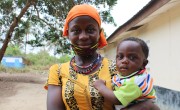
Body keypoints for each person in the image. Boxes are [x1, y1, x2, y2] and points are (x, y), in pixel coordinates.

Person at [44, 4, 160, 110]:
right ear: (68, 34)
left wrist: (147, 105)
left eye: (90, 29)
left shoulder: (117, 68)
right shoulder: (57, 71)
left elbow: (146, 103)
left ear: (99, 33)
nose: (83, 36)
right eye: (76, 30)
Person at [93, 37, 159, 110]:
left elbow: (116, 99)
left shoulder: (135, 82)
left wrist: (100, 86)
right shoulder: (127, 74)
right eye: (120, 57)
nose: (124, 61)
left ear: (143, 64)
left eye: (132, 58)